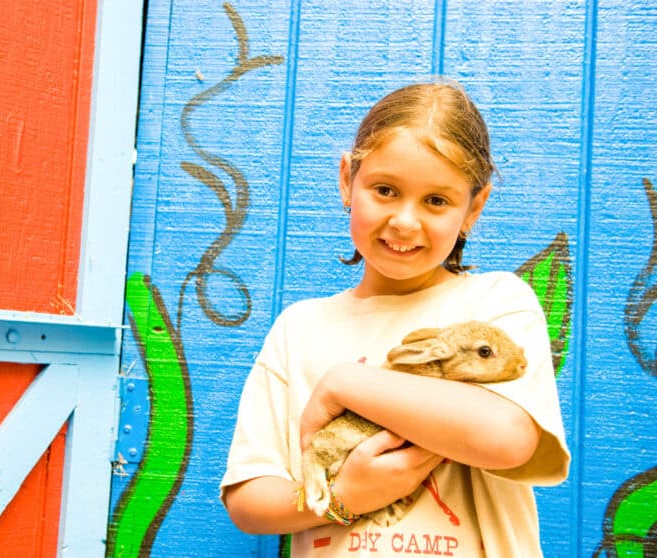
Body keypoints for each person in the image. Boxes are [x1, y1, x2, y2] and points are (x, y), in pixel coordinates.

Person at [220, 81, 570, 557]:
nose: (405, 221)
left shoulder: (495, 303)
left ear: (475, 207)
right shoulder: (300, 328)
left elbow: (508, 439)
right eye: (385, 190)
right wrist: (343, 499)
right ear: (348, 180)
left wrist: (345, 384)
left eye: (436, 201)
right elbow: (249, 500)